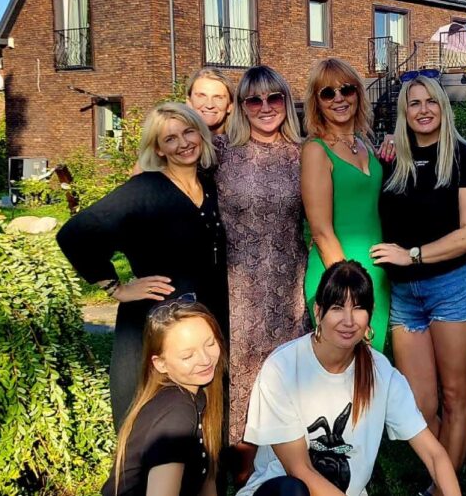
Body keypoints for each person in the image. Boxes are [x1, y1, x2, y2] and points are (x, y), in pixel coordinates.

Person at [57, 102, 228, 427]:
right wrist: (116, 287)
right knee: (157, 419)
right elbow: (75, 234)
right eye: (170, 139)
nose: (183, 143)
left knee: (205, 420)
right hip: (160, 321)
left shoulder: (210, 186)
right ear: (158, 149)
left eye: (188, 132)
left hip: (204, 319)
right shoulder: (144, 190)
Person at [236, 260, 461, 496]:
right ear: (318, 312)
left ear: (370, 313)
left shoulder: (380, 372)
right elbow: (299, 470)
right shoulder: (283, 368)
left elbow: (434, 455)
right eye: (337, 308)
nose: (349, 320)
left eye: (358, 308)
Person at [371, 70, 466, 492]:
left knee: (455, 396)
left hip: (455, 287)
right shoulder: (392, 159)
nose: (424, 110)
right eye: (414, 103)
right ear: (404, 111)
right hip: (406, 295)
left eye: (431, 102)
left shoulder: (465, 158)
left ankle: (442, 490)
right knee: (420, 406)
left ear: (443, 106)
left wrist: (412, 255)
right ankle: (444, 481)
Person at [215, 65, 308, 478]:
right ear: (241, 106)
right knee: (242, 382)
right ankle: (242, 478)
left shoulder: (303, 152)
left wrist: (389, 140)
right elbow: (165, 161)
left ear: (286, 101)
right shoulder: (220, 151)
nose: (265, 106)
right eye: (254, 99)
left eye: (275, 97)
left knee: (285, 381)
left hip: (288, 287)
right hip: (237, 289)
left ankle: (289, 473)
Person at [301, 57, 389, 351]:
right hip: (339, 274)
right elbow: (321, 231)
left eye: (346, 90)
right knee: (342, 368)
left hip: (376, 273)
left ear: (358, 94)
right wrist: (349, 294)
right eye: (327, 93)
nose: (339, 98)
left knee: (370, 368)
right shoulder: (317, 150)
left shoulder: (365, 143)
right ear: (317, 102)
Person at [100, 298, 226, 496]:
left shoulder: (198, 395)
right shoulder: (177, 411)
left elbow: (206, 479)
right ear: (160, 364)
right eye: (187, 356)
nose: (205, 359)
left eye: (210, 344)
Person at [186, 68, 234, 135]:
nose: (209, 105)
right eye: (201, 96)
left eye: (218, 97)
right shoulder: (177, 139)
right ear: (189, 102)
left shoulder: (243, 140)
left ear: (230, 106)